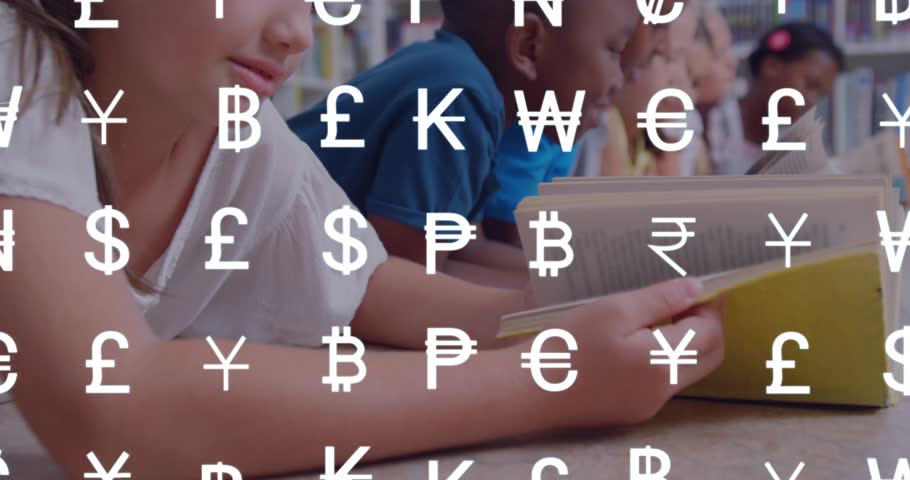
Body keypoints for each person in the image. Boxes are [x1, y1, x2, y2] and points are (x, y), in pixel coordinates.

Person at [0, 0, 725, 478]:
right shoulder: (15, 64)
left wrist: (594, 307)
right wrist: (548, 380)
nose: (295, 34)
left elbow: (370, 284)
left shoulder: (234, 133)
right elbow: (113, 407)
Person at [288, 0, 633, 286]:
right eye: (616, 52)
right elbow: (409, 287)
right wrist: (575, 298)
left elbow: (463, 249)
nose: (620, 80)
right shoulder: (456, 98)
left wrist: (590, 279)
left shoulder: (463, 83)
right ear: (528, 45)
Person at [708, 22, 845, 175]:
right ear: (771, 66)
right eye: (810, 85)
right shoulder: (711, 121)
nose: (813, 101)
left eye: (821, 95)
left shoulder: (799, 142)